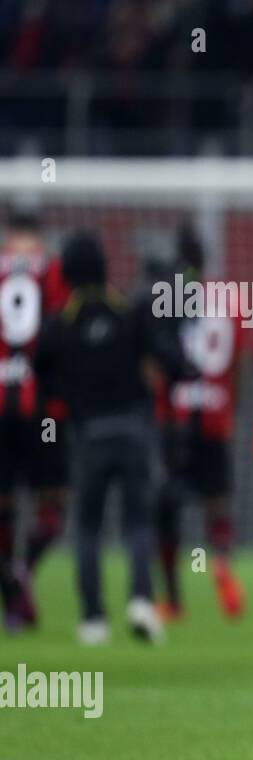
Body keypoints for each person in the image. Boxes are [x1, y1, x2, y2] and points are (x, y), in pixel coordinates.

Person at [35, 232, 185, 644]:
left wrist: (62, 403)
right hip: (134, 429)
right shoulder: (130, 311)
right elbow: (173, 360)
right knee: (138, 522)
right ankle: (140, 598)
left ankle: (93, 618)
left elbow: (42, 375)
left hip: (88, 435)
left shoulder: (60, 322)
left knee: (87, 527)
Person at [153, 225, 247, 622]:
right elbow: (238, 363)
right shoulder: (231, 299)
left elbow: (157, 359)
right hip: (214, 414)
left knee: (167, 506)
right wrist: (229, 408)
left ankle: (173, 599)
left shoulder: (166, 296)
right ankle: (221, 565)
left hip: (175, 416)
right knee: (217, 502)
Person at [0, 211, 70, 632]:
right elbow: (61, 331)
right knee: (53, 506)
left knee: (3, 508)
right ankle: (23, 571)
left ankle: (13, 595)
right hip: (44, 411)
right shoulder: (53, 270)